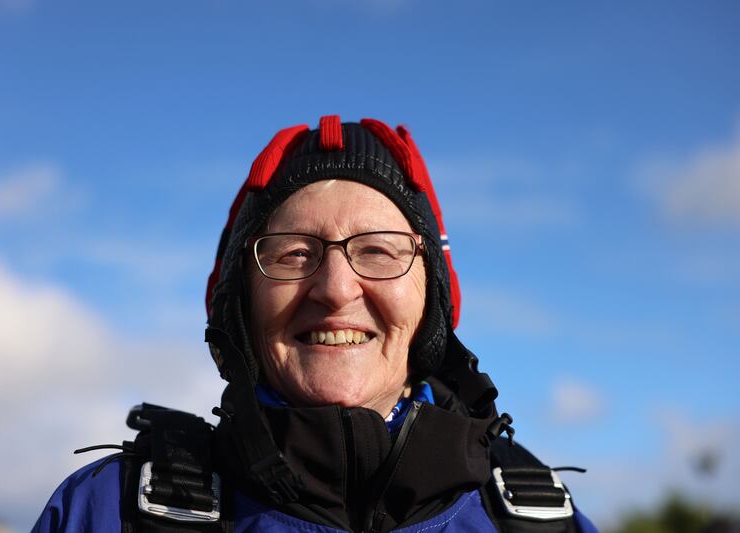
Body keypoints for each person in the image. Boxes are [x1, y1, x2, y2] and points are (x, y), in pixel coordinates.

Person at [33, 116, 598, 532]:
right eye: (293, 253)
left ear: (430, 303)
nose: (333, 288)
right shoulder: (108, 511)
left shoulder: (540, 521)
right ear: (239, 306)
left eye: (379, 251)